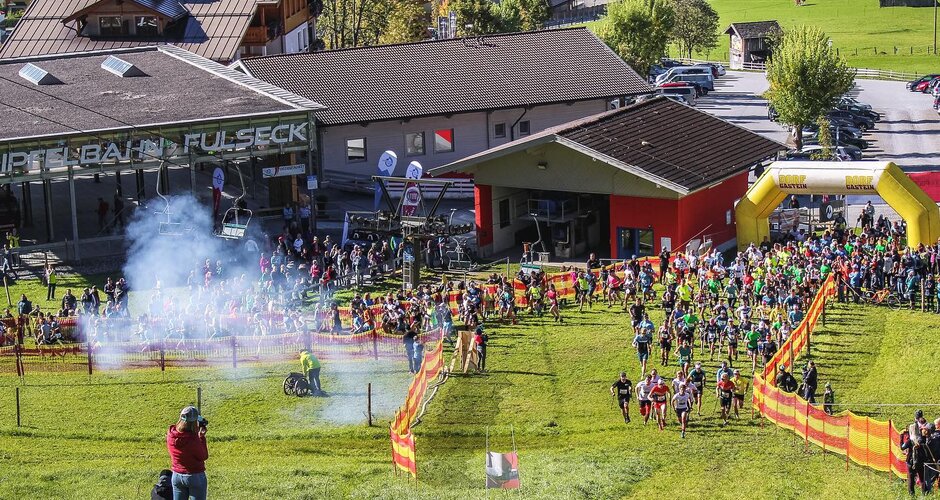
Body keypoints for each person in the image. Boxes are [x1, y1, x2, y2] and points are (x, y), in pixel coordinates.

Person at [166, 406, 209, 500]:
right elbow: (203, 456)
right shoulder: (193, 440)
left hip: (177, 475)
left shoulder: (171, 434)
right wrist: (201, 437)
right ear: (194, 422)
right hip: (195, 476)